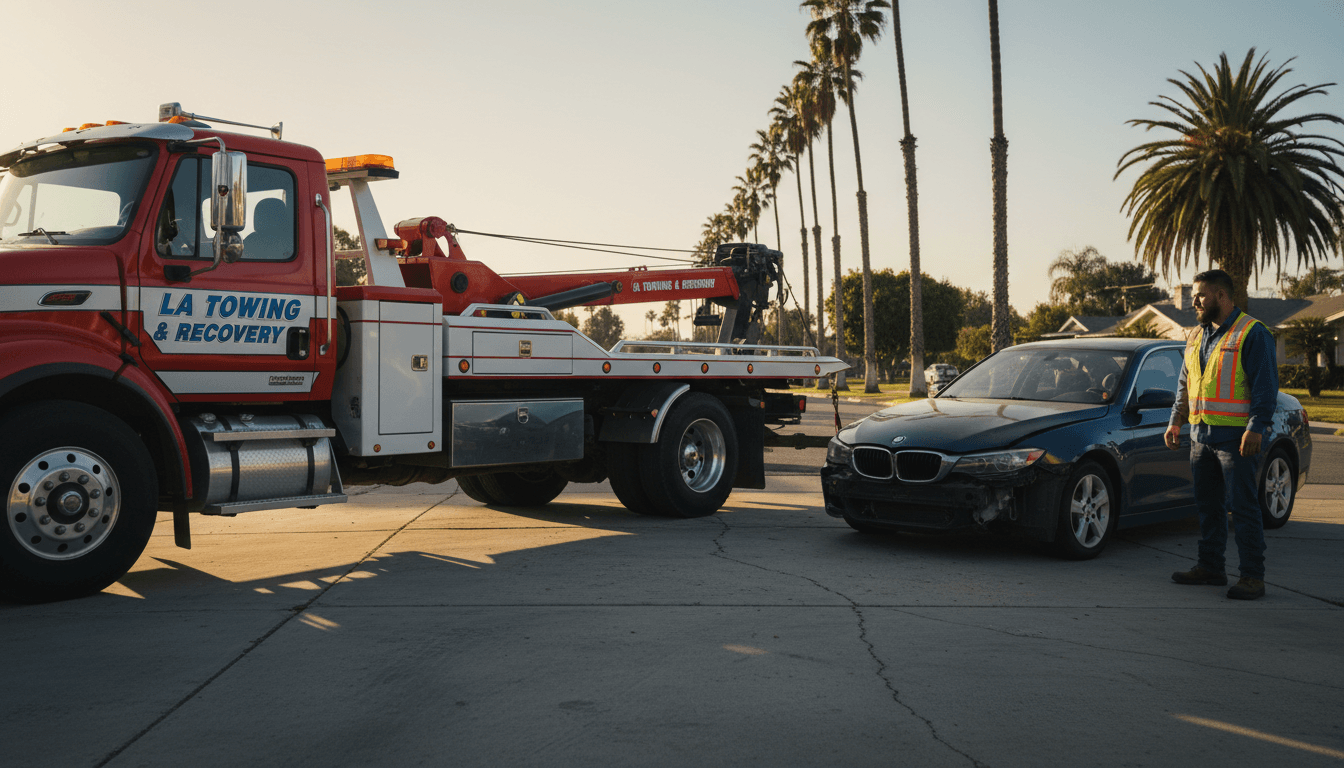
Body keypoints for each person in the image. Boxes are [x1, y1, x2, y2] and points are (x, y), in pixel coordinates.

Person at [1164, 269, 1278, 600]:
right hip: (1200, 437)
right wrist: (1176, 419)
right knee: (1208, 505)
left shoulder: (1253, 334)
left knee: (1242, 507)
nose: (1194, 301)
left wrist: (1256, 427)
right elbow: (1186, 381)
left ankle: (1252, 577)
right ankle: (1210, 567)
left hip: (1236, 438)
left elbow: (1265, 387)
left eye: (1200, 295)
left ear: (1222, 297)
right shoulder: (1197, 335)